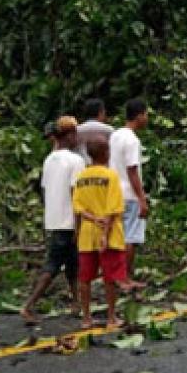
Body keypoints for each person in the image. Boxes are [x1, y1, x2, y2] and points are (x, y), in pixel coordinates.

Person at [21, 117, 86, 324]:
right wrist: (79, 224)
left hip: (54, 218)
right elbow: (77, 193)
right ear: (68, 136)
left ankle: (77, 302)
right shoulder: (76, 161)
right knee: (53, 265)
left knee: (71, 263)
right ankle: (29, 305)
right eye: (74, 134)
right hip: (69, 220)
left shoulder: (49, 160)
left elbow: (45, 189)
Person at [73, 138, 126, 329]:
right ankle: (112, 316)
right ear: (106, 153)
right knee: (110, 277)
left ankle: (86, 318)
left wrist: (93, 219)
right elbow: (113, 209)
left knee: (85, 277)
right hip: (109, 234)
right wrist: (104, 232)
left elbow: (78, 207)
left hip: (87, 234)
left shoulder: (81, 177)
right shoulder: (111, 176)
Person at [109, 99, 149, 290]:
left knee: (117, 236)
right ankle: (125, 278)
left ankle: (116, 275)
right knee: (131, 237)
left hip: (114, 192)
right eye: (146, 114)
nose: (146, 119)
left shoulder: (115, 135)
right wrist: (142, 198)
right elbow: (132, 170)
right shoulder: (132, 140)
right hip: (129, 194)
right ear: (139, 115)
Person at [77, 98, 114, 164]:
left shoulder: (77, 130)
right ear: (101, 112)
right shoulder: (109, 130)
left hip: (82, 168)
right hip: (103, 169)